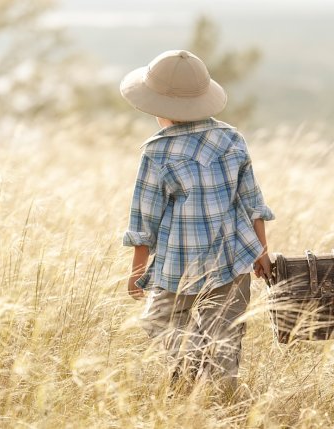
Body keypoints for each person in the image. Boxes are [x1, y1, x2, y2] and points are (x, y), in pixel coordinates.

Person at [120, 50, 274, 394]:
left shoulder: (157, 151)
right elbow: (252, 203)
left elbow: (145, 218)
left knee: (160, 319)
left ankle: (186, 373)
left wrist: (137, 272)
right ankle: (220, 395)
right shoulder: (232, 138)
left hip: (178, 265)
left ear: (160, 106)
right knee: (226, 336)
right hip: (232, 259)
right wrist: (262, 253)